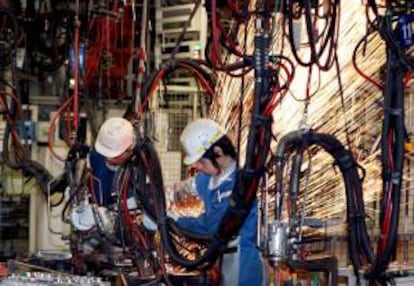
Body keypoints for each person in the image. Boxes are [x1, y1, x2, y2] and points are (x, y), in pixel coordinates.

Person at [169, 118, 266, 286]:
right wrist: (164, 196)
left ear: (219, 152)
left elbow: (210, 226)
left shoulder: (238, 185)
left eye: (201, 162)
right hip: (222, 256)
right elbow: (186, 190)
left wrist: (175, 220)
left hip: (242, 261)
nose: (198, 167)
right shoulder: (210, 176)